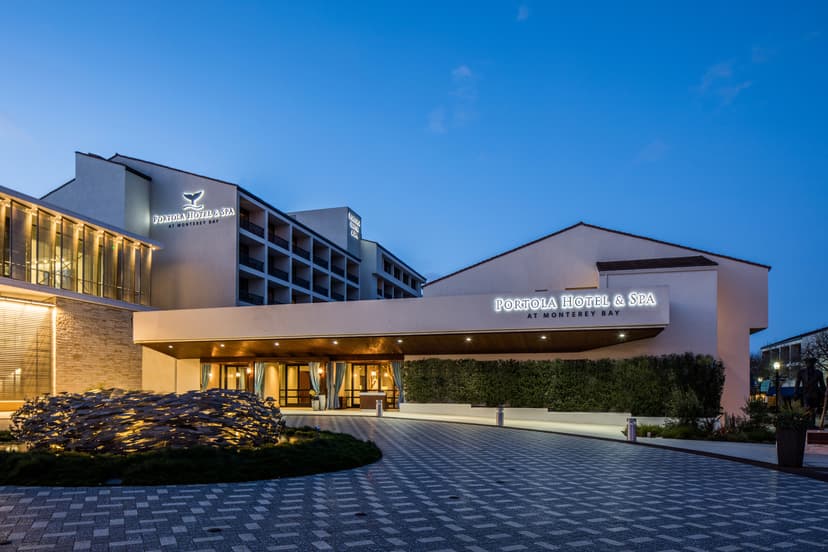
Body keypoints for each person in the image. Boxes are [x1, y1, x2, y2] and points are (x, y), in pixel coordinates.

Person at [794, 357, 826, 427]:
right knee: (807, 409)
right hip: (805, 394)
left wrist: (824, 393)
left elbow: (822, 385)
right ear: (806, 363)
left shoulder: (819, 373)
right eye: (808, 362)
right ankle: (807, 424)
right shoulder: (801, 372)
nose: (809, 364)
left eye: (811, 363)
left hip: (815, 394)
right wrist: (796, 393)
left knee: (813, 410)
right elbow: (797, 383)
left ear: (814, 363)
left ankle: (812, 425)